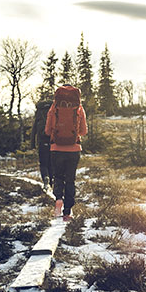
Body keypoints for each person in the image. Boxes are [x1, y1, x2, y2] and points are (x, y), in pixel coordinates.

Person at [45, 85, 87, 221]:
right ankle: (67, 212)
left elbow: (47, 130)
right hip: (74, 150)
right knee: (70, 179)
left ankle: (58, 199)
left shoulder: (53, 108)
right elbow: (83, 131)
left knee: (58, 177)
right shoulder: (79, 109)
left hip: (56, 149)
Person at [31, 96, 53, 190]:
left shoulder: (39, 114)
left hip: (42, 141)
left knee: (43, 164)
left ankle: (45, 179)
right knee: (51, 164)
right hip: (53, 142)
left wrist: (32, 144)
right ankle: (51, 183)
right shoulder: (53, 112)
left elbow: (34, 130)